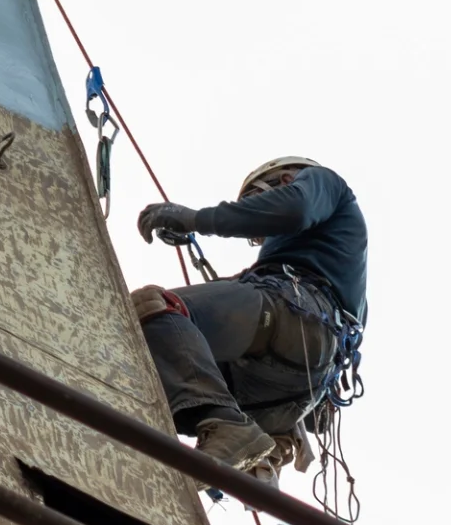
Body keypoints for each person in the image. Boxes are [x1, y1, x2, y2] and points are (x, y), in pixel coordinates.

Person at [132, 156, 367, 474]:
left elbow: (293, 208)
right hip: (290, 394)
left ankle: (227, 425)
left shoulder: (323, 182)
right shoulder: (343, 275)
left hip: (293, 317)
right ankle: (231, 443)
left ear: (284, 180)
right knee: (161, 377)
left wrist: (195, 219)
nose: (260, 238)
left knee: (153, 305)